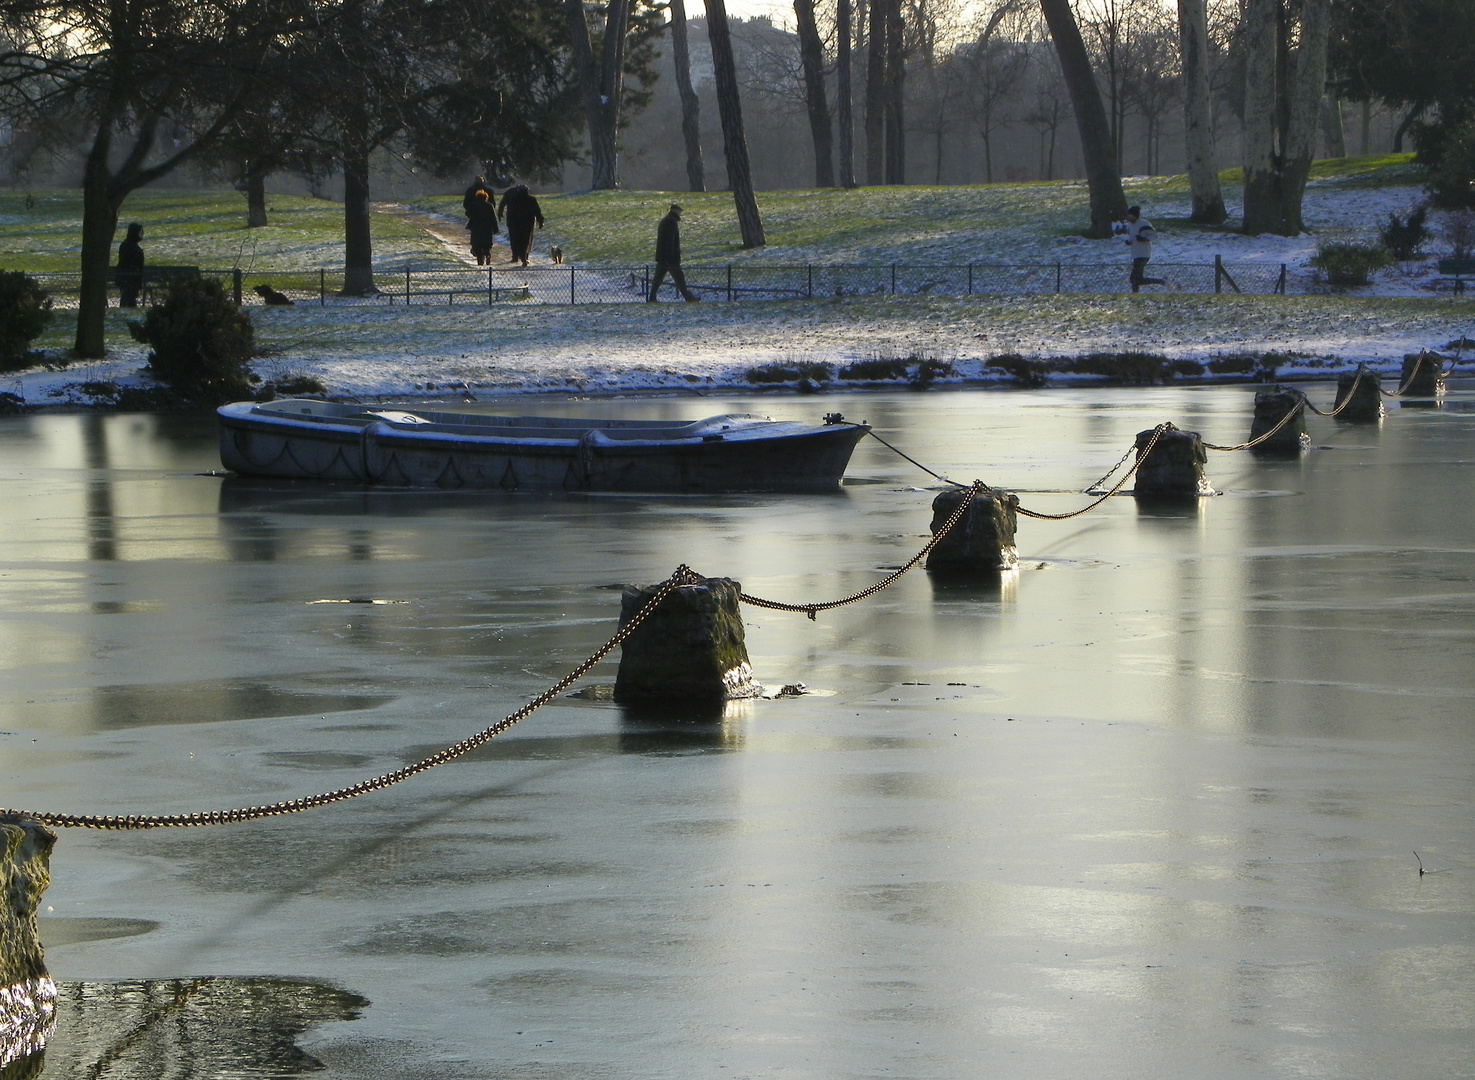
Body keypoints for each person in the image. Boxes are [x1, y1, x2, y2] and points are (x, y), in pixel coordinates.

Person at [648, 204, 699, 302]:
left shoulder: (666, 220)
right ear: (676, 211)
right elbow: (670, 240)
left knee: (658, 279)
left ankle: (652, 297)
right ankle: (689, 298)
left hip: (662, 257)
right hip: (670, 258)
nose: (680, 214)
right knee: (679, 279)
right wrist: (671, 256)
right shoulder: (671, 222)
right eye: (680, 211)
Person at [1116, 205, 1164, 293]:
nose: (1128, 217)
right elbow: (1131, 237)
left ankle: (1135, 294)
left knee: (1134, 278)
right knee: (1137, 279)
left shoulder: (1144, 224)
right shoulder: (1129, 225)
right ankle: (1160, 281)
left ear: (1135, 215)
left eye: (1130, 215)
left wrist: (1144, 239)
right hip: (1135, 253)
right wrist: (1129, 241)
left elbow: (1154, 235)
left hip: (1144, 253)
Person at [498, 184, 544, 267]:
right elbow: (537, 211)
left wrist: (500, 214)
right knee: (526, 240)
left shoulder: (513, 199)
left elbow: (503, 206)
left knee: (515, 239)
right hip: (527, 223)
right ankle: (525, 256)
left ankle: (515, 256)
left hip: (513, 223)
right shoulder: (531, 199)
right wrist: (540, 221)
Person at [465, 189, 499, 266]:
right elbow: (493, 218)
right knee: (487, 243)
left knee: (477, 244)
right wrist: (495, 228)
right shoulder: (489, 205)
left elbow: (467, 213)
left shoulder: (473, 205)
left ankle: (480, 261)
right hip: (487, 227)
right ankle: (487, 254)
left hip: (476, 227)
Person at [115, 222, 145, 307]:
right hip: (130, 278)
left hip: (124, 277)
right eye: (140, 232)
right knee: (129, 296)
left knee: (127, 296)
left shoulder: (125, 246)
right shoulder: (134, 249)